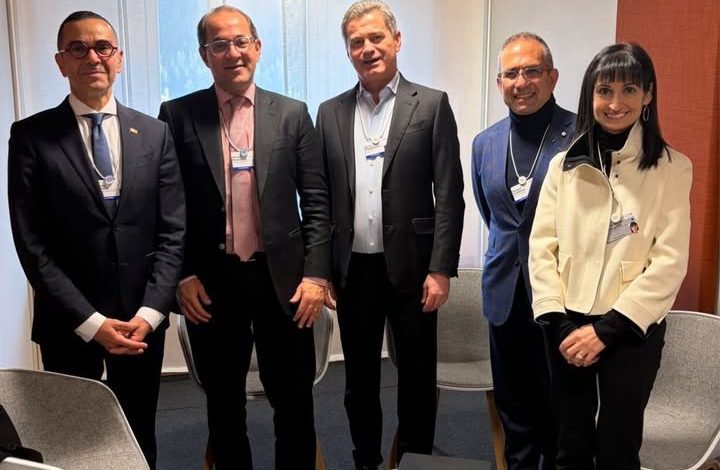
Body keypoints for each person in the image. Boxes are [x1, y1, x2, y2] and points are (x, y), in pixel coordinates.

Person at [7, 11, 185, 469]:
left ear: (118, 58)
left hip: (139, 322)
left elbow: (172, 232)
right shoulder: (30, 136)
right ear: (61, 61)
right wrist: (90, 322)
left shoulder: (155, 133)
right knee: (71, 442)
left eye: (103, 47)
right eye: (78, 48)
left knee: (139, 435)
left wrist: (150, 313)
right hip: (68, 322)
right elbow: (32, 245)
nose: (92, 57)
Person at [158, 6, 331, 470]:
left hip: (285, 283)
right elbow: (167, 207)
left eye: (240, 42)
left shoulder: (292, 114)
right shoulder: (177, 115)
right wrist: (181, 275)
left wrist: (316, 276)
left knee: (294, 402)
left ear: (257, 47)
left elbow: (317, 202)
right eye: (219, 45)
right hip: (211, 284)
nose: (232, 53)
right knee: (224, 405)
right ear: (204, 55)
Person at [529, 43, 692, 469]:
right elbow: (541, 248)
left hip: (630, 330)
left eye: (629, 90)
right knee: (569, 446)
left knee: (619, 449)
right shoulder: (562, 166)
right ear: (591, 95)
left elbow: (669, 261)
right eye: (604, 91)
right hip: (566, 325)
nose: (615, 103)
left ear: (648, 94)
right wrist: (559, 323)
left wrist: (608, 329)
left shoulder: (673, 168)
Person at [316, 1, 464, 468]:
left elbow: (450, 195)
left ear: (396, 40)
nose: (367, 48)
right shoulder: (329, 113)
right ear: (347, 51)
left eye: (376, 37)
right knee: (358, 380)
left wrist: (441, 269)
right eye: (356, 42)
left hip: (415, 270)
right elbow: (321, 199)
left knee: (417, 378)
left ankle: (416, 459)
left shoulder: (431, 104)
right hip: (353, 270)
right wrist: (321, 269)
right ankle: (366, 459)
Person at [471, 32, 574, 470]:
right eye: (511, 73)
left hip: (563, 297)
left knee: (559, 410)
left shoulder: (581, 135)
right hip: (504, 294)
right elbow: (492, 213)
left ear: (552, 77)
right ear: (499, 83)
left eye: (532, 71)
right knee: (513, 410)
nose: (521, 82)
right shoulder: (485, 143)